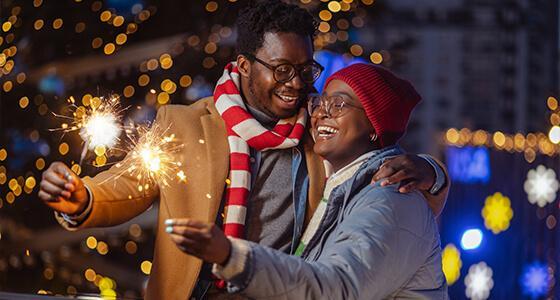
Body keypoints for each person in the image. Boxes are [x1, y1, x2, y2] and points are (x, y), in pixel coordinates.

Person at [38, 1, 448, 299]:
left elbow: (380, 176)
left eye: (306, 71)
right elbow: (130, 183)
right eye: (281, 70)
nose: (295, 83)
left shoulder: (321, 133)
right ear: (245, 65)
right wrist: (82, 198)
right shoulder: (185, 124)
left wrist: (432, 170)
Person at [167, 63, 448, 299]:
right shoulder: (342, 188)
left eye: (338, 104)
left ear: (375, 127)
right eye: (320, 102)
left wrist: (232, 256)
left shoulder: (389, 197)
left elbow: (335, 288)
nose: (321, 113)